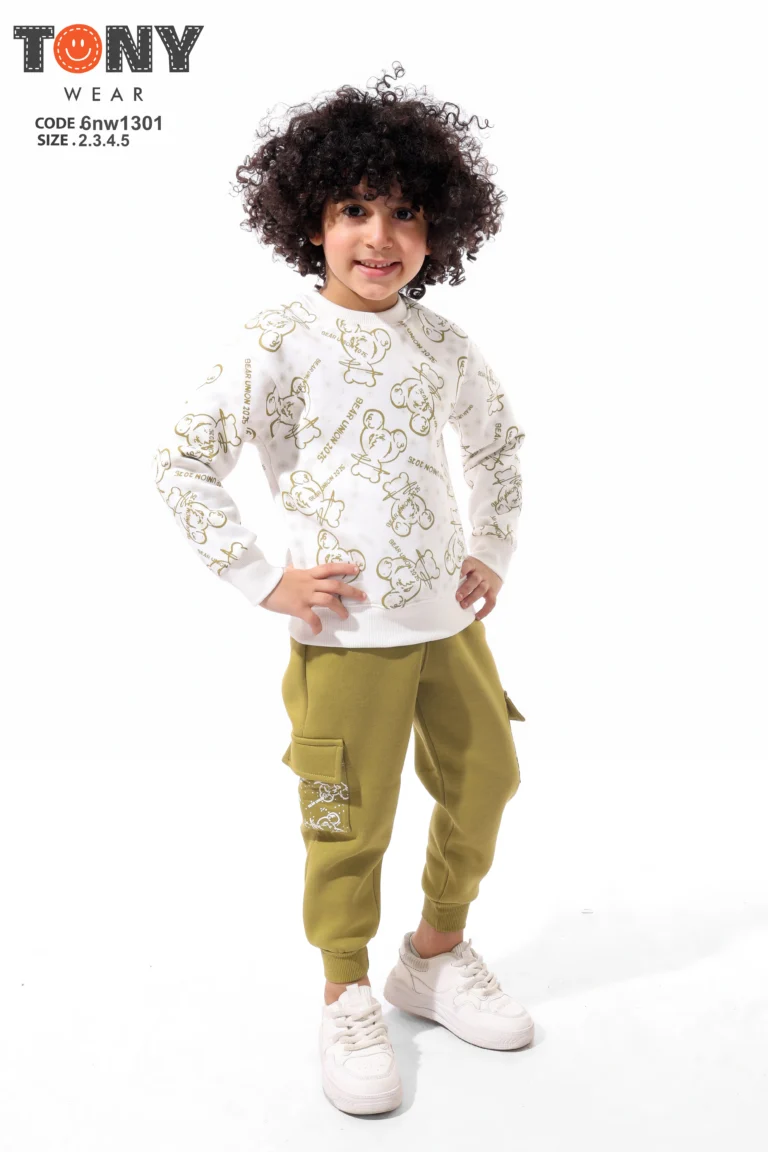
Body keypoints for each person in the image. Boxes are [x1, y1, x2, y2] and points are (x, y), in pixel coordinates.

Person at [151, 62, 532, 1115]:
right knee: (346, 821)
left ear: (439, 228)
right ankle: (346, 991)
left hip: (447, 626)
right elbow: (182, 461)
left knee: (487, 778)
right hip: (345, 636)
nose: (381, 236)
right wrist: (260, 577)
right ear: (310, 222)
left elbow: (496, 443)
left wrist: (493, 546)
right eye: (355, 209)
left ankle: (434, 955)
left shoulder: (439, 341)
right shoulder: (278, 340)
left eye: (405, 213)